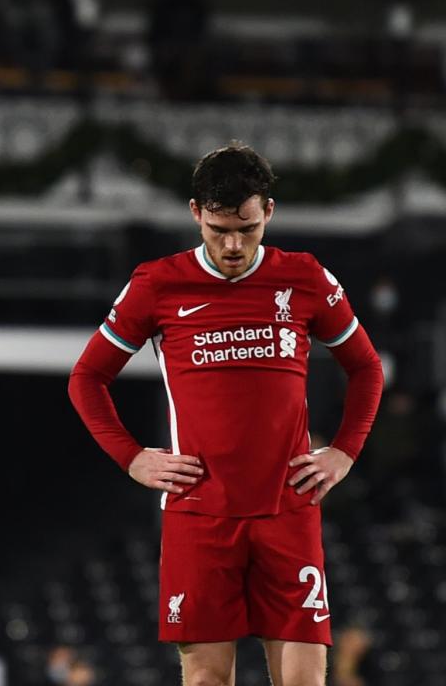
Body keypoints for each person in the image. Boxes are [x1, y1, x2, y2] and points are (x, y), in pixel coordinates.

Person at [68, 144, 384, 686]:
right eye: (218, 229)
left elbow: (367, 369)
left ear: (269, 213)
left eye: (248, 227)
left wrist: (345, 452)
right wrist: (132, 457)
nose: (234, 244)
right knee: (208, 680)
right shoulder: (158, 284)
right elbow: (87, 378)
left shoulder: (304, 277)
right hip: (201, 513)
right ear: (196, 213)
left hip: (288, 508)